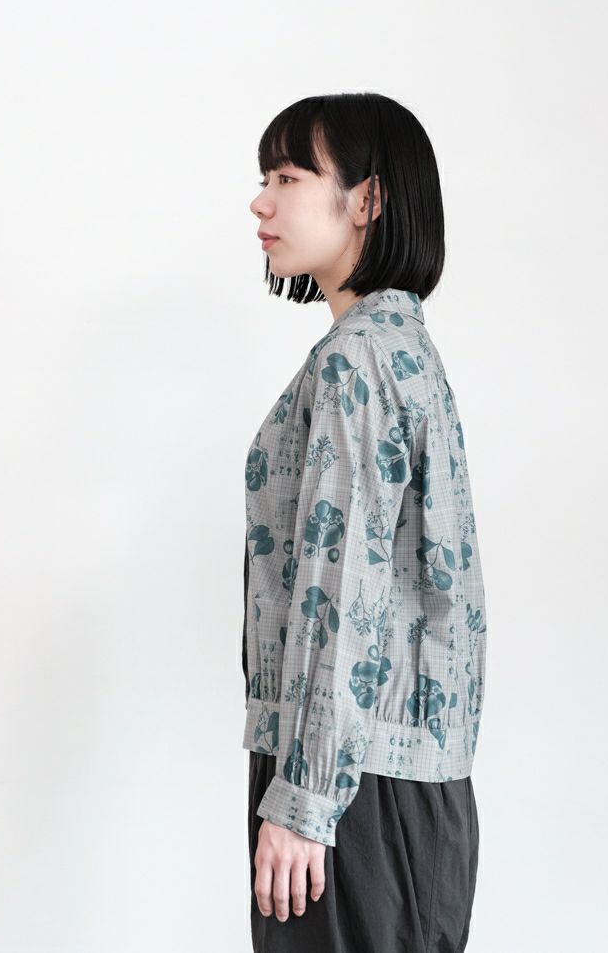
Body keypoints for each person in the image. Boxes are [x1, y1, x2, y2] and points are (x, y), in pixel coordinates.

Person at [243, 92, 486, 952]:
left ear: (367, 200)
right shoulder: (401, 349)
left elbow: (340, 591)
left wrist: (304, 800)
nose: (260, 202)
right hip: (396, 786)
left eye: (288, 177)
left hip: (349, 790)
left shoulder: (357, 362)